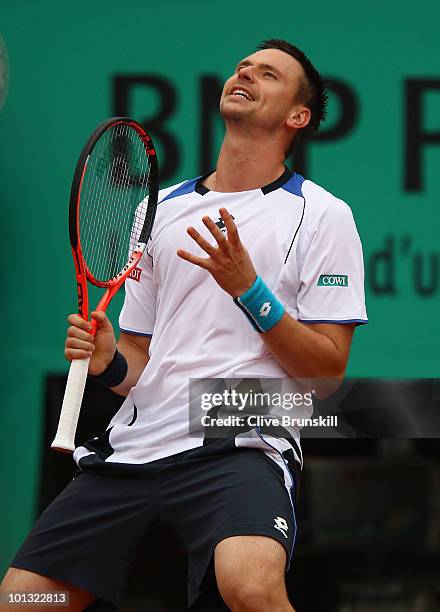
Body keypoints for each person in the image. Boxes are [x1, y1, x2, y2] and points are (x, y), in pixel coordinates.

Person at [1, 39, 367, 611]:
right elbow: (136, 365)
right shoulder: (160, 211)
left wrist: (251, 292)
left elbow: (325, 375)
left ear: (298, 116)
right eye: (243, 66)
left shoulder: (324, 216)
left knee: (250, 590)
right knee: (25, 603)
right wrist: (106, 360)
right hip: (136, 445)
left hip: (239, 438)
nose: (245, 73)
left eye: (267, 74)